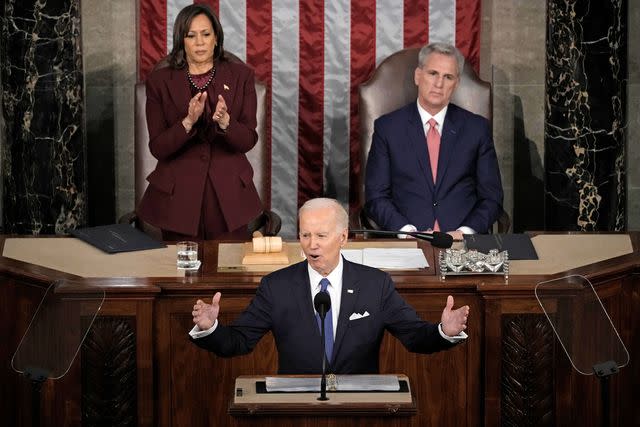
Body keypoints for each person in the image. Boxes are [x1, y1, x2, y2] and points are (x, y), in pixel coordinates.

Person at [189, 197, 469, 374]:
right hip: (296, 407)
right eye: (305, 235)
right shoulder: (277, 286)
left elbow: (415, 337)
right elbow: (238, 342)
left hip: (360, 408)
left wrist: (444, 331)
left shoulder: (374, 284)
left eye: (322, 235)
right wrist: (210, 328)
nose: (312, 244)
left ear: (343, 237)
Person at [137, 4, 262, 240]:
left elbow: (248, 140)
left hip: (229, 196)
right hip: (177, 200)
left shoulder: (241, 76)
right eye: (191, 36)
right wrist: (187, 122)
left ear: (216, 38)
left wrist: (226, 122)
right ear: (181, 40)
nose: (200, 42)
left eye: (206, 34)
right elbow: (158, 148)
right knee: (180, 274)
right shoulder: (159, 81)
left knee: (228, 273)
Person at [364, 42, 504, 240]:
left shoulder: (476, 129)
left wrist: (465, 232)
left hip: (461, 243)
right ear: (418, 76)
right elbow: (376, 197)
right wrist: (406, 231)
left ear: (455, 84)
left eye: (448, 77)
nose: (439, 83)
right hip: (407, 243)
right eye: (433, 73)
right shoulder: (388, 128)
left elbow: (492, 198)